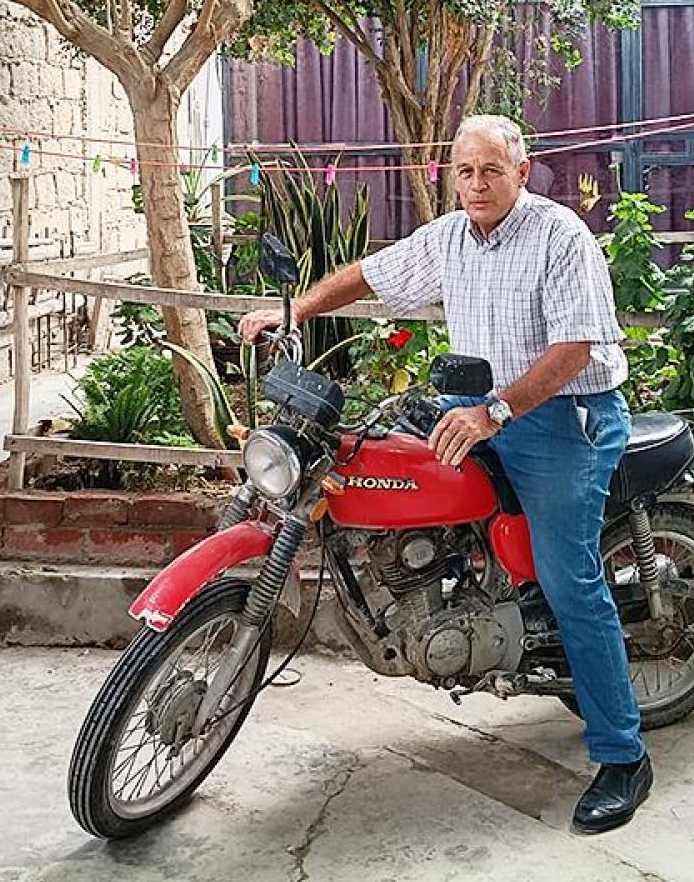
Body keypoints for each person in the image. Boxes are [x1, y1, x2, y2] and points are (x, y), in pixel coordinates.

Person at [238, 115, 650, 834]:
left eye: (492, 170)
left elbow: (577, 349)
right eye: (465, 171)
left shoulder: (559, 237)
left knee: (569, 577)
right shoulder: (451, 236)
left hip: (558, 415)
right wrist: (296, 309)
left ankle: (622, 756)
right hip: (474, 402)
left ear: (522, 173)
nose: (478, 184)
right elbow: (372, 273)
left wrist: (496, 411)